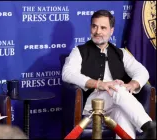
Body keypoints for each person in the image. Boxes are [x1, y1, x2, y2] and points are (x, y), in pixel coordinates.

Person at [62, 10, 156, 139]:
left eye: (103, 28)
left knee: (122, 114)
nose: (98, 31)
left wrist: (132, 85)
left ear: (111, 31)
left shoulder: (120, 53)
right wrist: (99, 84)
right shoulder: (79, 51)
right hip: (92, 104)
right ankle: (149, 127)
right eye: (94, 26)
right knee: (117, 88)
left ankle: (149, 128)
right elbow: (68, 73)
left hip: (117, 102)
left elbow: (142, 71)